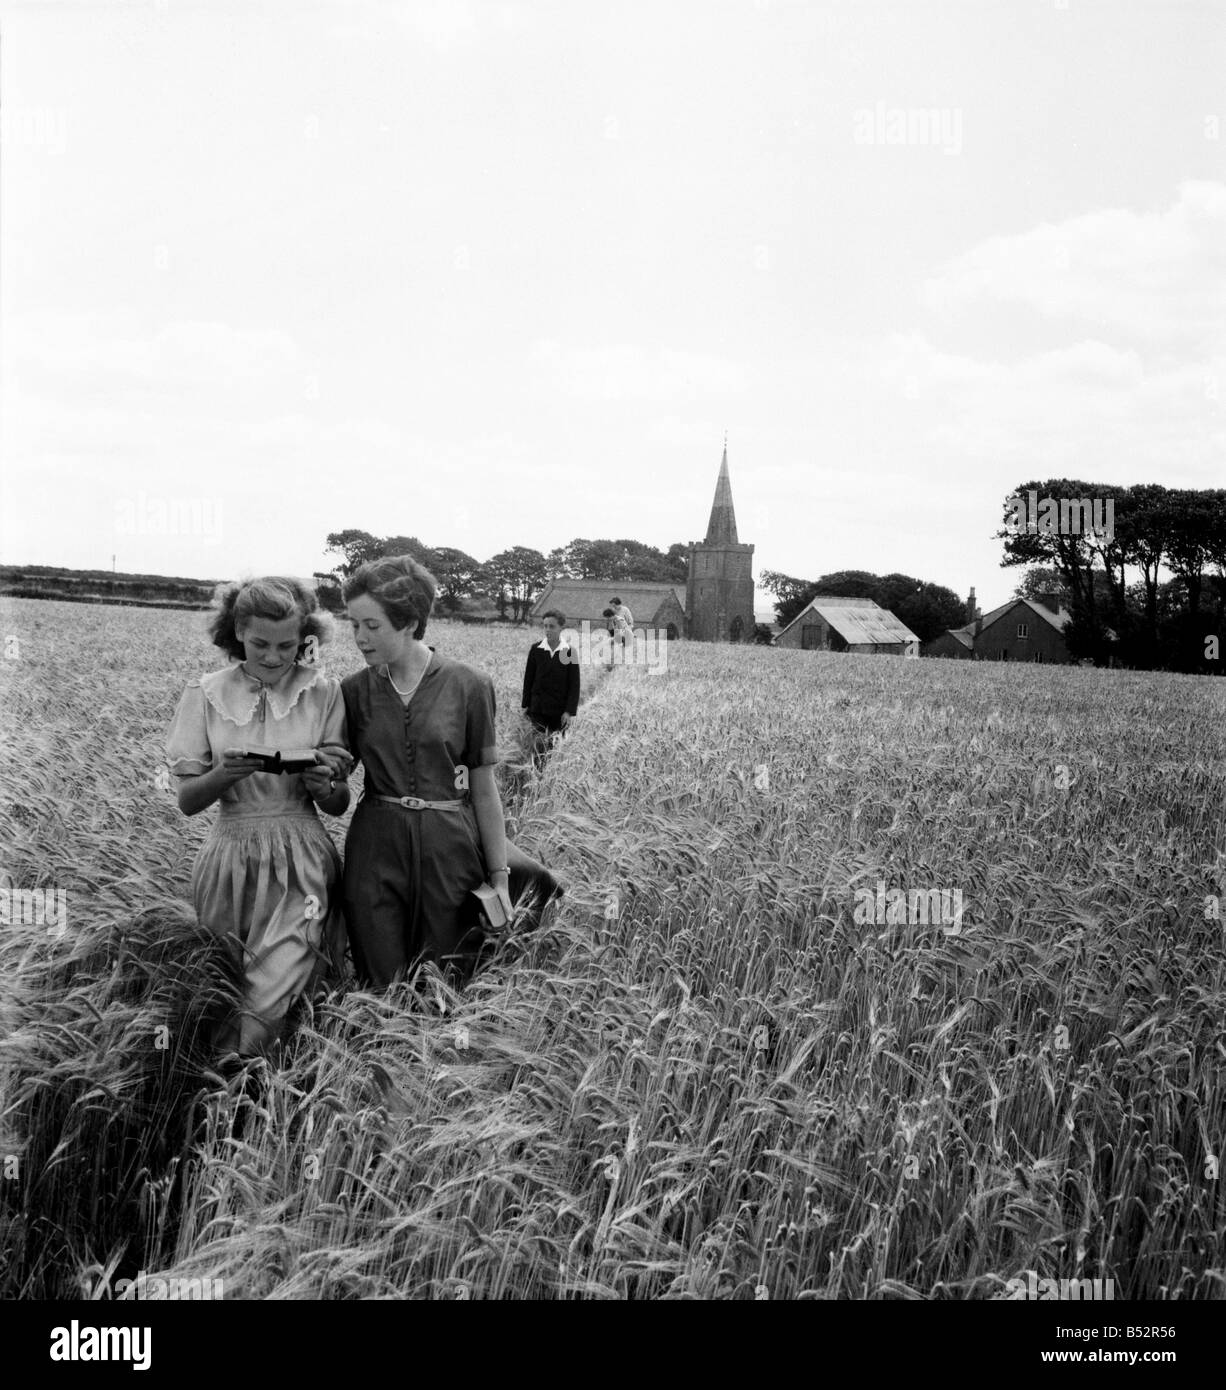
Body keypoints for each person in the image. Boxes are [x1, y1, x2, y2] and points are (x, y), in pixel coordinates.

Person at [340, 555, 561, 989]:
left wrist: (499, 876)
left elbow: (483, 790)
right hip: (374, 848)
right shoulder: (352, 691)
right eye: (353, 625)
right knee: (380, 980)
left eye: (372, 626)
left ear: (408, 622)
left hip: (450, 849)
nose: (359, 638)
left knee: (448, 978)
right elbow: (337, 793)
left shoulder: (470, 685)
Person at [166, 576, 352, 1059]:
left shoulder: (324, 693)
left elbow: (338, 801)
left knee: (273, 990)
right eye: (259, 644)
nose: (273, 656)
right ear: (236, 634)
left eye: (287, 645)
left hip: (303, 861)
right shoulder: (204, 694)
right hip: (230, 864)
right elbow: (187, 801)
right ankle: (241, 1108)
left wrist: (324, 785)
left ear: (306, 637)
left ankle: (232, 1079)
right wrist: (223, 775)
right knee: (228, 991)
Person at [521, 608, 579, 767]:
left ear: (561, 628)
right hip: (538, 709)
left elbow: (574, 684)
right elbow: (529, 679)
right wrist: (526, 706)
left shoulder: (569, 652)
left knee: (556, 748)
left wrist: (568, 711)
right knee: (538, 748)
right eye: (545, 626)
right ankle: (536, 777)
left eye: (552, 626)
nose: (547, 630)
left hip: (559, 712)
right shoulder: (536, 649)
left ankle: (551, 778)